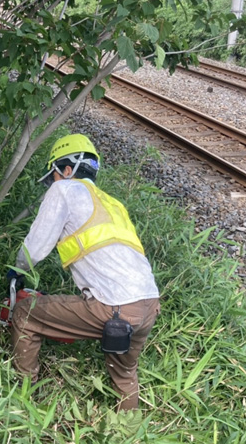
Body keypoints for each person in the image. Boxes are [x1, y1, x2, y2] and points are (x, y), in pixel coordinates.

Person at [10, 133, 160, 411]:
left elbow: (36, 247)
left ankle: (22, 400)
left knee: (25, 314)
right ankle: (130, 435)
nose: (52, 183)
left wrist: (16, 270)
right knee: (125, 374)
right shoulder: (113, 204)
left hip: (114, 307)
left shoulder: (64, 189)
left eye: (53, 175)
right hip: (149, 305)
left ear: (67, 170)